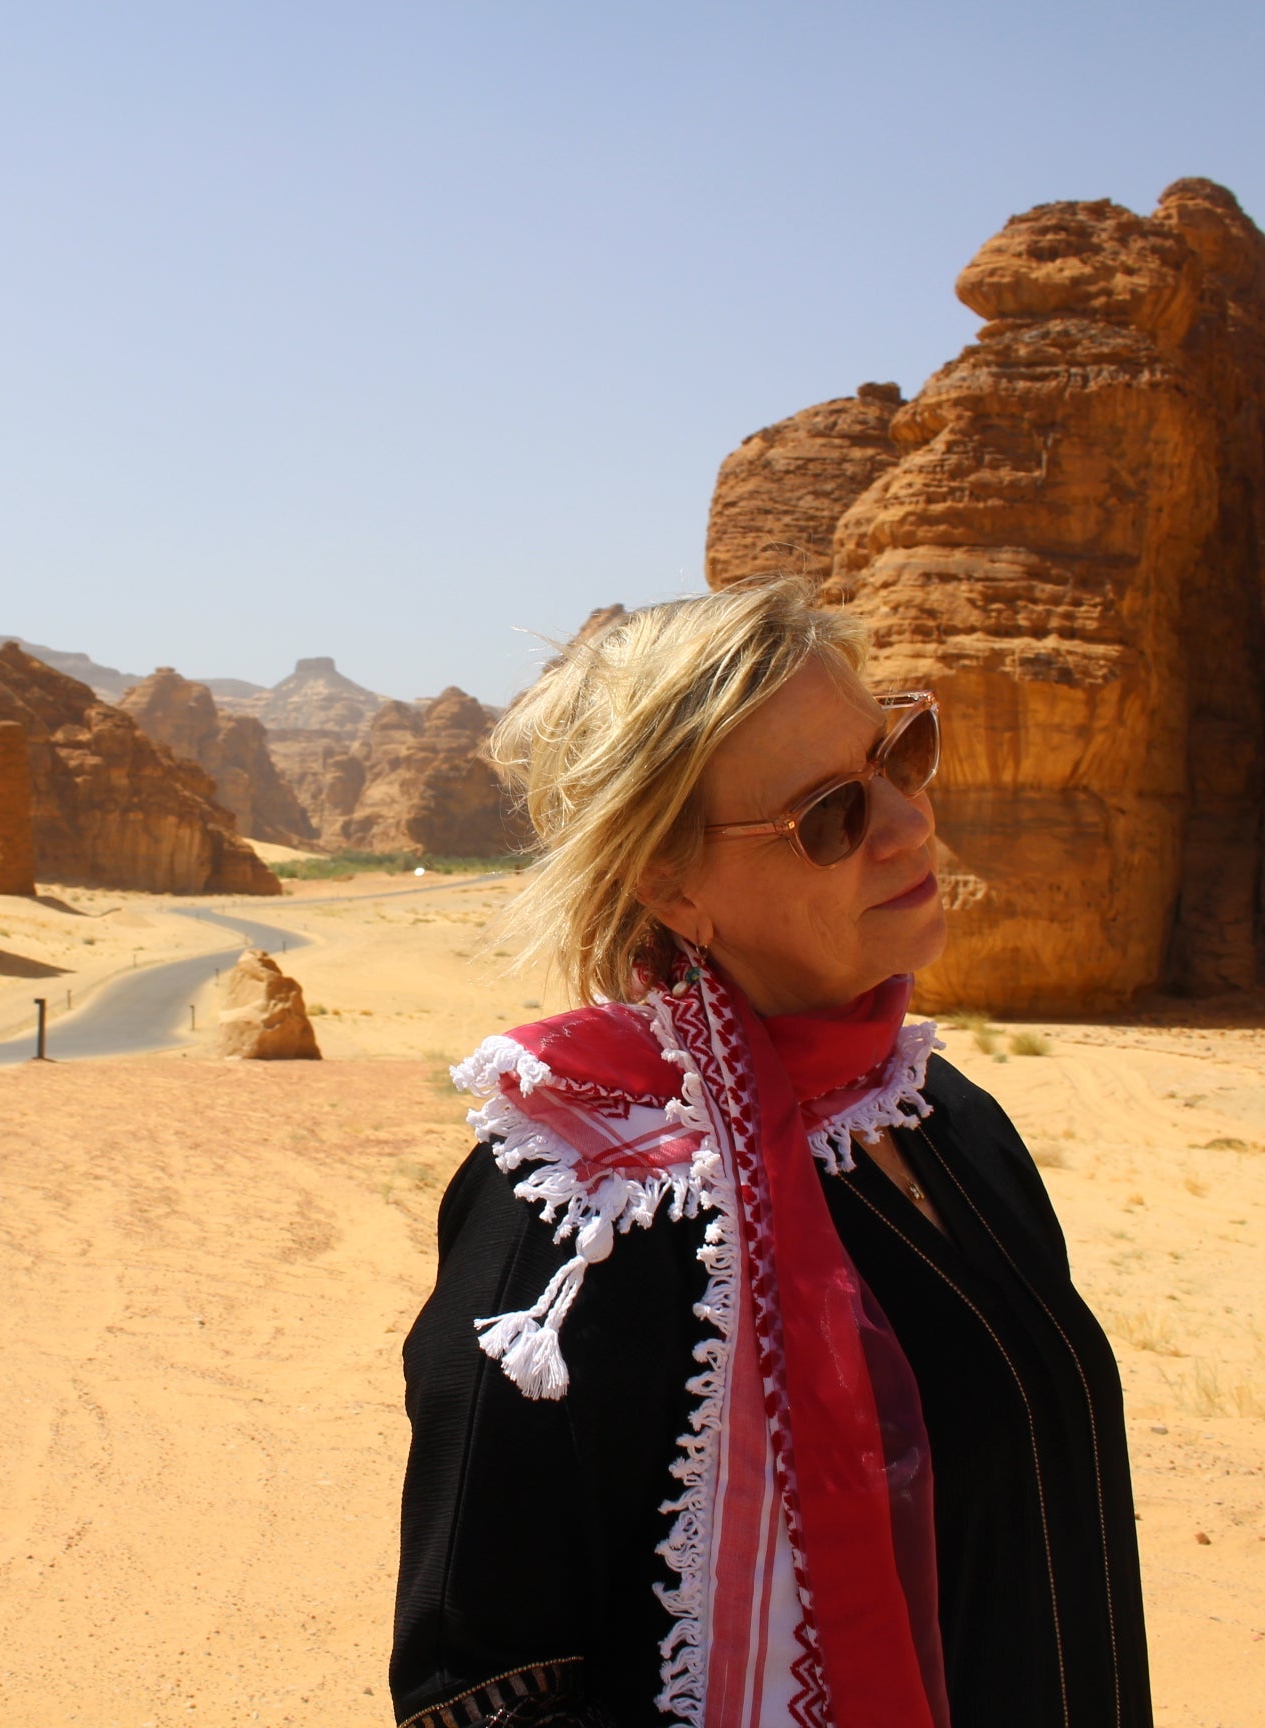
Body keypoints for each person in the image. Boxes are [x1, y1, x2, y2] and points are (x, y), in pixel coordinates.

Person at [390, 578, 1149, 1728]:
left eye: (903, 753)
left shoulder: (941, 1117)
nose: (907, 822)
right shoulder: (582, 1204)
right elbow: (486, 1686)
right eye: (831, 817)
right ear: (670, 883)